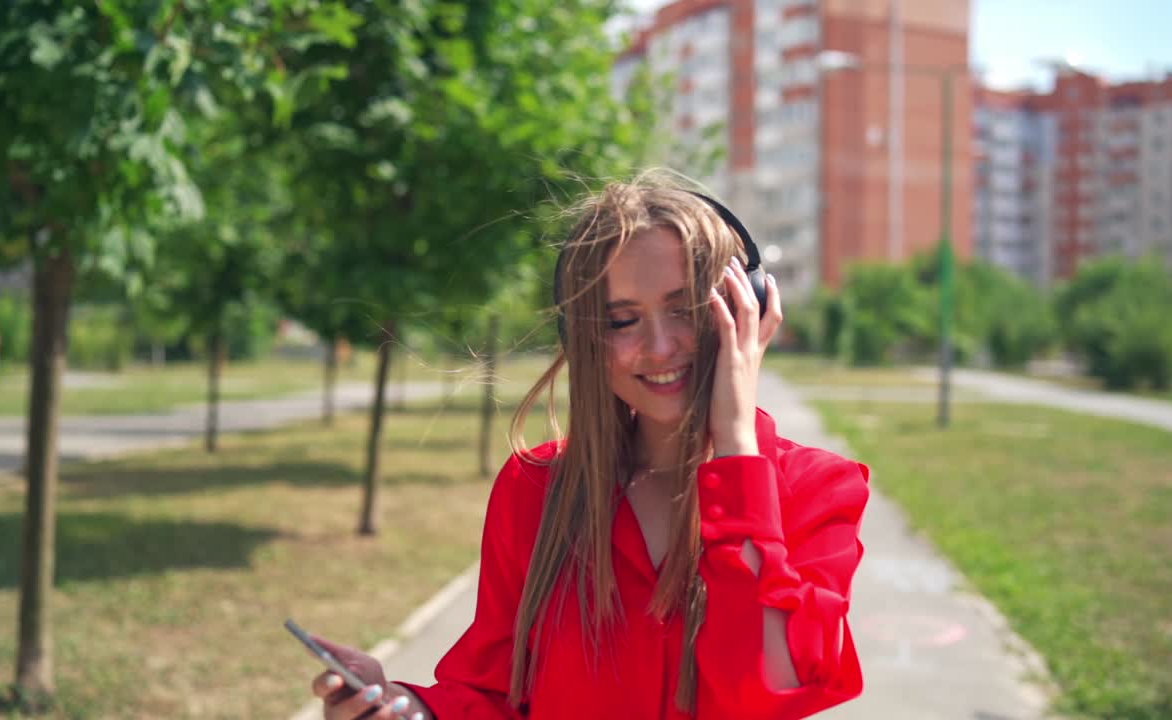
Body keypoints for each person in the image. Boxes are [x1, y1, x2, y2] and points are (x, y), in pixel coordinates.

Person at [309, 175, 870, 719]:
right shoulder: (536, 488)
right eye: (622, 320)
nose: (659, 346)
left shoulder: (817, 489)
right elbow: (497, 697)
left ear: (748, 309)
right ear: (585, 339)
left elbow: (767, 696)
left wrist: (736, 455)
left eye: (684, 309)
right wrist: (409, 711)